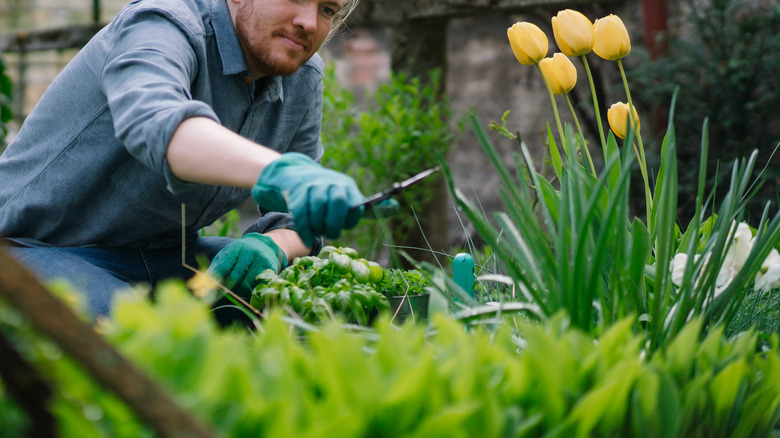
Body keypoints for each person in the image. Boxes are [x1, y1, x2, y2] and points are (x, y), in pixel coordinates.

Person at [0, 0, 367, 322]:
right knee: (134, 339)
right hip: (32, 247)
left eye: (327, 10)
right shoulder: (162, 24)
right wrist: (279, 171)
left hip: (165, 257)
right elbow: (159, 123)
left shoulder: (303, 77)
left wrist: (275, 246)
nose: (310, 22)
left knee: (303, 299)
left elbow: (295, 220)